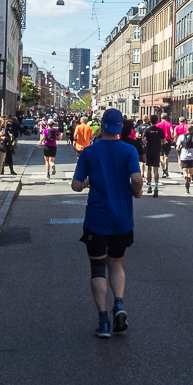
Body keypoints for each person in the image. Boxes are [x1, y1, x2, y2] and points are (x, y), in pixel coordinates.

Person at [71, 108, 143, 339]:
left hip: (97, 219)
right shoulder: (129, 150)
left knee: (97, 268)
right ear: (120, 127)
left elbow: (75, 185)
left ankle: (103, 321)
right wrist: (137, 190)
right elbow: (136, 180)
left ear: (101, 127)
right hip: (122, 219)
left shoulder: (90, 152)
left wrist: (87, 183)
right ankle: (119, 305)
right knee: (117, 263)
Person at [143, 118, 166, 197]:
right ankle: (156, 186)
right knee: (156, 169)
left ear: (150, 121)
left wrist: (145, 143)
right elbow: (164, 141)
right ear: (156, 122)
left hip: (149, 150)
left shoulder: (147, 130)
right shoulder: (160, 130)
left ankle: (149, 186)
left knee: (148, 168)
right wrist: (160, 144)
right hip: (157, 150)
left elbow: (144, 139)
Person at [176, 126, 193, 193]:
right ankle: (188, 185)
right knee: (191, 171)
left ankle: (186, 178)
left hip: (184, 155)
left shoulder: (181, 137)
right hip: (192, 155)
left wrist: (180, 147)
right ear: (192, 130)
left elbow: (177, 148)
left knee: (184, 170)